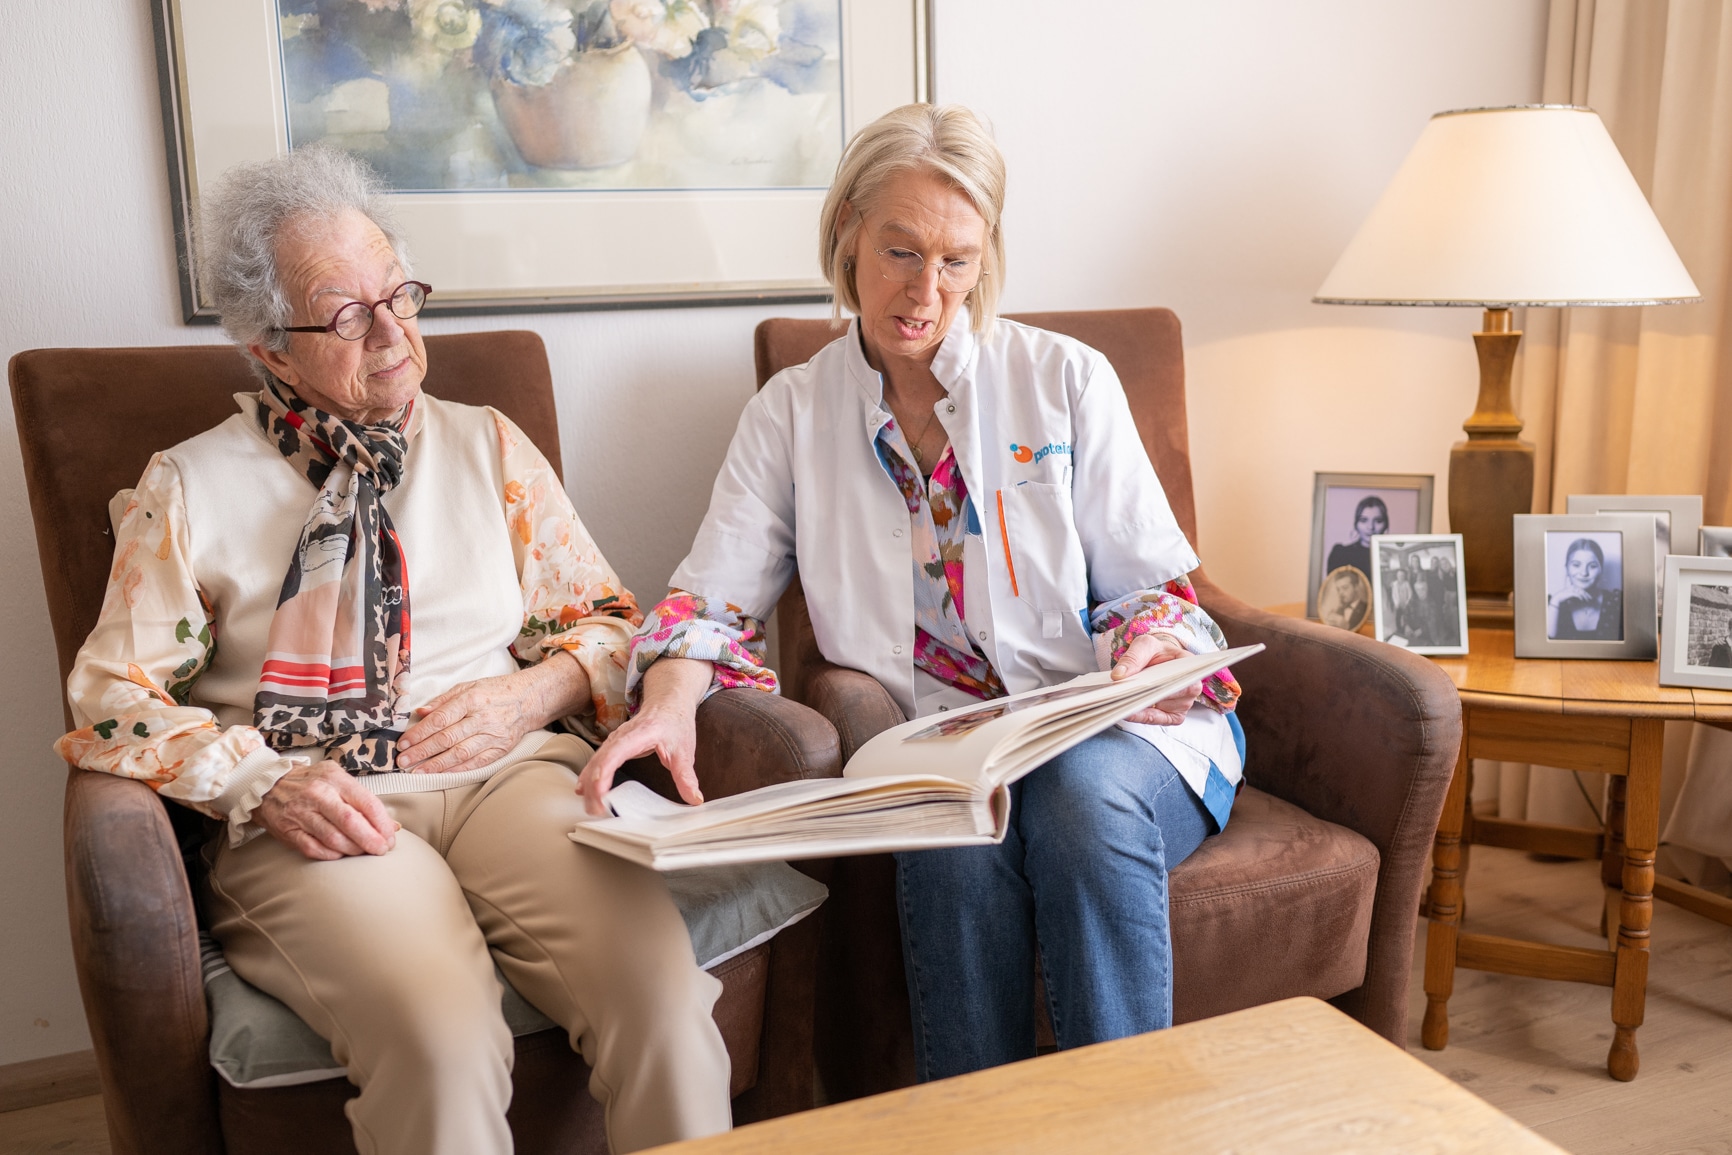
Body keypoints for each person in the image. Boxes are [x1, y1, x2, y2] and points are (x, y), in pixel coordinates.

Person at [54, 146, 730, 1155]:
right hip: (321, 808)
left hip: (511, 778)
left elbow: (604, 621)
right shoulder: (189, 487)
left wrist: (531, 695)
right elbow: (115, 694)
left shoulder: (488, 443)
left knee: (662, 994)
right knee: (440, 1040)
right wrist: (261, 781)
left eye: (400, 295)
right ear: (271, 349)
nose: (392, 333)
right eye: (345, 315)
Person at [580, 104, 1244, 1083]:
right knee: (946, 831)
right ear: (847, 229)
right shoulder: (789, 414)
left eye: (956, 261)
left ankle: (1125, 1127)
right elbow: (708, 606)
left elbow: (1153, 591)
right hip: (946, 745)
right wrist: (669, 704)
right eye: (899, 251)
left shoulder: (1065, 379)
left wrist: (1155, 651)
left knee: (1077, 802)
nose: (924, 292)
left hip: (1112, 733)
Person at [1548, 537, 1623, 641]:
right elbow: (1545, 644)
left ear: (1601, 570)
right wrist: (1555, 601)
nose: (1584, 573)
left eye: (1592, 566)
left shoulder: (1617, 601)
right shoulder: (1552, 603)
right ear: (1567, 569)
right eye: (1576, 565)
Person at [1325, 495, 1389, 584]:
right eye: (1363, 520)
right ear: (1356, 524)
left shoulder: (1391, 555)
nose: (1370, 527)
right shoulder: (1341, 554)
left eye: (1378, 521)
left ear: (1385, 525)